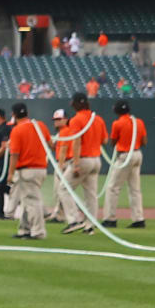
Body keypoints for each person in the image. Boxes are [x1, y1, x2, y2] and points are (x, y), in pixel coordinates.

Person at [60, 94, 105, 234]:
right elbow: (104, 140)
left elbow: (77, 141)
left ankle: (74, 220)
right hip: (96, 159)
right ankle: (90, 225)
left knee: (63, 188)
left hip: (83, 159)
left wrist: (76, 163)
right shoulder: (98, 119)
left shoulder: (76, 119)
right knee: (91, 194)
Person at [5, 103, 49, 240]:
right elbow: (50, 143)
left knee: (32, 201)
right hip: (41, 169)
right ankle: (24, 229)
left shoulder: (17, 130)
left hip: (27, 170)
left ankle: (38, 232)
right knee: (26, 200)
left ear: (13, 114)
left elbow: (15, 154)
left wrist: (10, 173)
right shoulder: (40, 125)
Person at [102, 100, 146, 229]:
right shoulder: (138, 122)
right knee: (135, 189)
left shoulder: (117, 123)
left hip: (125, 155)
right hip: (137, 153)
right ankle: (139, 219)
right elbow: (144, 140)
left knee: (113, 187)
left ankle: (110, 218)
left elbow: (113, 141)